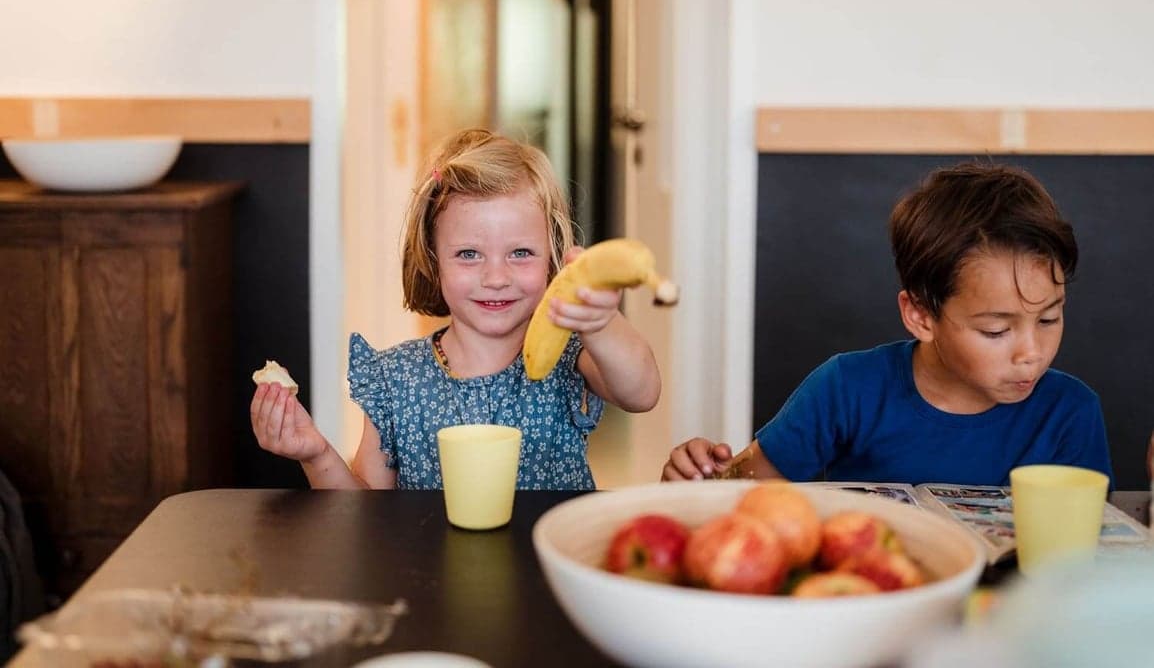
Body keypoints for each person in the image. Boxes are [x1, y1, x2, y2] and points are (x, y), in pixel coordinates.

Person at [662, 161, 1114, 487]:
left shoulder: (1070, 413)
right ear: (920, 315)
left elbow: (1084, 561)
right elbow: (739, 488)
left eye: (1050, 318)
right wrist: (699, 478)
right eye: (996, 331)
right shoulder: (846, 388)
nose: (1031, 351)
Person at [253, 128, 661, 489]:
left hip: (545, 567)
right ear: (434, 260)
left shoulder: (572, 358)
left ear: (552, 257)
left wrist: (602, 323)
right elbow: (364, 516)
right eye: (469, 254)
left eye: (520, 253)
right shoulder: (394, 380)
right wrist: (316, 454)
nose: (496, 277)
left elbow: (641, 393)